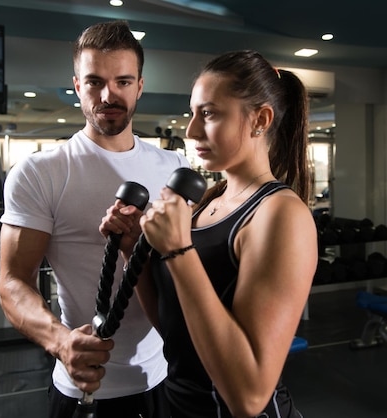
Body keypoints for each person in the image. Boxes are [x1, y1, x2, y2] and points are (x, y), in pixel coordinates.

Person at [100, 50, 318, 417]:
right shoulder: (207, 201)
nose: (191, 130)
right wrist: (131, 248)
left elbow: (248, 397)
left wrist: (178, 251)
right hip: (179, 405)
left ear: (260, 120)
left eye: (210, 113)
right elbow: (177, 330)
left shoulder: (280, 214)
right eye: (192, 113)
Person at [0, 20, 189, 418]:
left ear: (139, 86)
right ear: (76, 85)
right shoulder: (41, 172)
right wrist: (62, 342)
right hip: (87, 389)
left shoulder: (174, 165)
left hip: (165, 378)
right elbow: (13, 283)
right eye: (94, 82)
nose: (108, 95)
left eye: (122, 81)